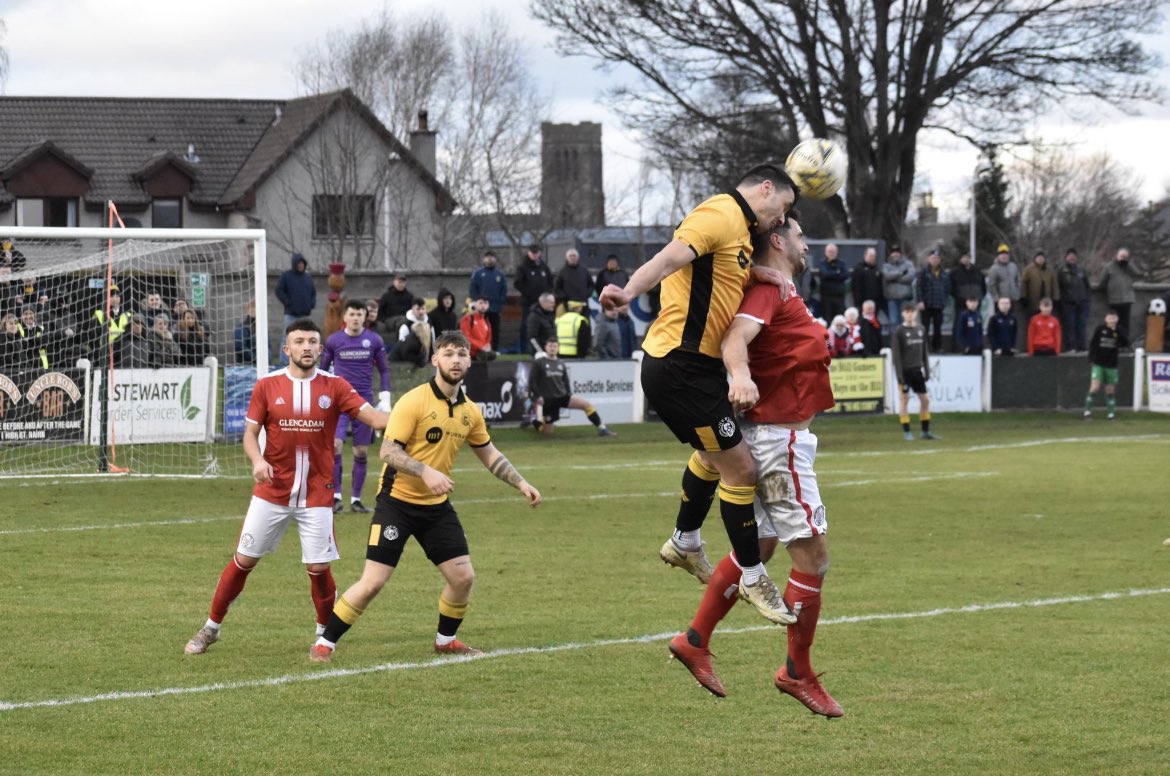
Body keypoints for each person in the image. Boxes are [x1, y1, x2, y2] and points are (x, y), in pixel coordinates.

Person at [598, 162, 800, 625]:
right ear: (766, 189)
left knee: (714, 456)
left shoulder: (742, 234)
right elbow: (672, 257)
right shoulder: (721, 212)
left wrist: (759, 277)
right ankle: (752, 575)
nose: (781, 220)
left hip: (695, 368)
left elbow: (721, 278)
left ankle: (685, 541)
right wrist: (629, 290)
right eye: (783, 207)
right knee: (741, 468)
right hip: (678, 365)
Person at [667, 213, 842, 716]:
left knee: (760, 547)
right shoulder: (769, 293)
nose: (808, 244)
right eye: (803, 234)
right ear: (780, 240)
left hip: (776, 436)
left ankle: (694, 639)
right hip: (778, 440)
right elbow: (735, 339)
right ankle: (796, 673)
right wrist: (739, 375)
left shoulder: (781, 287)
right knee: (814, 559)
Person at [309, 331, 542, 662]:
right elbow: (388, 452)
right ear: (436, 360)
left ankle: (445, 641)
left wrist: (520, 482)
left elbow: (488, 453)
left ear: (469, 361)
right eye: (448, 354)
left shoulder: (470, 411)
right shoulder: (414, 401)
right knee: (373, 582)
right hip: (396, 503)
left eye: (462, 354)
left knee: (463, 578)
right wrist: (425, 471)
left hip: (436, 508)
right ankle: (324, 644)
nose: (456, 360)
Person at [183, 318, 390, 656]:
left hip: (317, 494)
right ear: (287, 349)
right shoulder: (267, 385)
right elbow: (250, 435)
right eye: (299, 341)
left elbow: (376, 419)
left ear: (321, 349)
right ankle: (211, 627)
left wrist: (417, 414)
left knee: (319, 568)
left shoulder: (335, 386)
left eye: (312, 342)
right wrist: (257, 461)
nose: (306, 347)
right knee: (243, 560)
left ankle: (324, 637)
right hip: (272, 492)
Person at [320, 300, 392, 514]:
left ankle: (356, 500)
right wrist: (321, 397)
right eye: (352, 314)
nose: (356, 318)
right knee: (335, 446)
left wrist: (385, 398)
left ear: (365, 317)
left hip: (364, 403)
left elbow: (385, 371)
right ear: (344, 317)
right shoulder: (334, 341)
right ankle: (335, 496)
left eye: (360, 314)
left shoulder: (374, 340)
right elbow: (322, 371)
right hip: (339, 402)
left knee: (361, 451)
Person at [527, 338, 616, 436]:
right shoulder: (539, 363)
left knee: (586, 405)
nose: (552, 348)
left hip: (562, 397)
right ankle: (534, 421)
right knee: (547, 432)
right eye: (550, 346)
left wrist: (569, 394)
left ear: (558, 348)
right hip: (549, 400)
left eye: (555, 346)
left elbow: (565, 381)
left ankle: (602, 429)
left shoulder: (561, 363)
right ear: (546, 348)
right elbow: (532, 382)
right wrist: (539, 396)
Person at [892, 303, 939, 440]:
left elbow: (925, 351)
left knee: (925, 400)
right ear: (902, 314)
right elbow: (897, 356)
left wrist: (927, 370)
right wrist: (899, 376)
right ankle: (907, 431)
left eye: (912, 311)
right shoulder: (899, 331)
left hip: (917, 371)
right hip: (905, 372)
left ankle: (925, 431)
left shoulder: (920, 329)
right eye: (907, 312)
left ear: (916, 313)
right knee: (904, 401)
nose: (910, 314)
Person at [1084, 310, 1128, 420]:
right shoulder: (1100, 329)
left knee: (1110, 390)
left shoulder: (1119, 330)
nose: (1112, 320)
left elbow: (1126, 343)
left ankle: (1111, 414)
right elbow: (1093, 344)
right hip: (1098, 363)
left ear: (1117, 319)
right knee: (1094, 388)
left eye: (1114, 318)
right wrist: (1091, 358)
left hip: (1112, 364)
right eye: (1110, 318)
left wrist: (1116, 332)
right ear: (1105, 319)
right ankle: (1087, 412)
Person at [1094, 247, 1142, 342]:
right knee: (1115, 322)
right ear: (1117, 256)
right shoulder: (1110, 266)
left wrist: (1129, 264)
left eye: (1125, 256)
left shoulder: (1128, 267)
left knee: (1125, 323)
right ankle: (1115, 341)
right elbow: (1103, 282)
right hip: (1115, 300)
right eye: (1121, 256)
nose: (1123, 258)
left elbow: (1138, 274)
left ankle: (1125, 342)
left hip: (1127, 299)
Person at [514, 244, 553, 352]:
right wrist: (530, 294)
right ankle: (524, 349)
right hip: (529, 302)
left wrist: (547, 294)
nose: (534, 255)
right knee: (527, 325)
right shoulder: (523, 267)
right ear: (529, 253)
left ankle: (544, 347)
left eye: (536, 253)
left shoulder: (544, 267)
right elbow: (517, 283)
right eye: (532, 253)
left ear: (539, 253)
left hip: (543, 304)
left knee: (545, 325)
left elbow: (550, 282)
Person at [595, 255, 636, 355]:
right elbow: (597, 288)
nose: (612, 264)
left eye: (614, 262)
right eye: (610, 262)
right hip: (608, 304)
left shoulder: (623, 274)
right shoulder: (602, 274)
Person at [468, 252, 508, 352]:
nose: (489, 260)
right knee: (481, 329)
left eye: (492, 258)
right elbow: (473, 289)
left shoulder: (499, 275)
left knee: (495, 329)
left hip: (495, 308)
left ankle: (495, 349)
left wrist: (500, 302)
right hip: (481, 309)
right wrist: (476, 303)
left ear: (495, 259)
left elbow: (504, 290)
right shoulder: (478, 273)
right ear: (484, 259)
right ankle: (482, 348)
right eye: (487, 257)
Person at [915, 249, 949, 352]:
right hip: (926, 304)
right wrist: (920, 301)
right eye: (933, 258)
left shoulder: (943, 273)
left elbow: (947, 288)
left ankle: (937, 347)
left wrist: (944, 300)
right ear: (929, 259)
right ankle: (925, 347)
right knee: (925, 327)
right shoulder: (923, 272)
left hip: (939, 304)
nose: (935, 260)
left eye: (937, 258)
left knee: (938, 327)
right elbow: (919, 287)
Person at [1057, 248, 1091, 352]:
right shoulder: (1061, 271)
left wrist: (1087, 299)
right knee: (1070, 326)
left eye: (1073, 256)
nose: (1072, 257)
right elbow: (1058, 287)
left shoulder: (1082, 270)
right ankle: (1071, 347)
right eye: (1069, 256)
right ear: (1066, 257)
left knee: (1081, 326)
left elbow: (1087, 286)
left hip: (1082, 302)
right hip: (1068, 304)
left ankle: (1082, 347)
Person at [949, 252, 985, 346]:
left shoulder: (977, 271)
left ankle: (976, 345)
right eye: (964, 257)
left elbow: (983, 287)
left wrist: (978, 299)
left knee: (976, 326)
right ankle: (957, 346)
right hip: (961, 303)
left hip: (975, 304)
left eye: (968, 257)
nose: (966, 259)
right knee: (959, 325)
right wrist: (959, 297)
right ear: (960, 259)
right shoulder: (954, 272)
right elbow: (950, 288)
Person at [987, 244, 1021, 338]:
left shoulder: (1013, 266)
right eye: (1001, 254)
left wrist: (1017, 293)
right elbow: (991, 285)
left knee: (1012, 324)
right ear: (998, 255)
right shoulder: (994, 268)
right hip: (1000, 302)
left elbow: (1018, 280)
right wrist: (997, 298)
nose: (1004, 256)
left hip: (1012, 300)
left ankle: (1011, 345)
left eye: (1006, 253)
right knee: (999, 325)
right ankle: (998, 346)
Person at [274, 253, 316, 329]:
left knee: (304, 336)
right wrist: (286, 301)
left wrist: (311, 304)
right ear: (294, 264)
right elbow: (278, 290)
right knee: (288, 337)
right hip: (291, 315)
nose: (300, 265)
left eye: (302, 263)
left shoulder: (308, 278)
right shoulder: (286, 276)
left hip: (305, 315)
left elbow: (313, 292)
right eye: (298, 263)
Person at [390, 298, 435, 368]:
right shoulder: (405, 326)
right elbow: (402, 347)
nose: (421, 312)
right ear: (413, 309)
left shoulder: (429, 325)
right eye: (418, 309)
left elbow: (432, 343)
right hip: (406, 361)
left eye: (423, 309)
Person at [89, 283, 132, 357]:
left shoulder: (128, 315)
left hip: (125, 353)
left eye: (117, 295)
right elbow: (94, 338)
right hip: (106, 353)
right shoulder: (99, 315)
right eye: (111, 295)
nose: (115, 298)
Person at [881, 246, 914, 326]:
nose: (895, 254)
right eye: (893, 252)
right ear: (891, 254)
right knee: (894, 322)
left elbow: (910, 276)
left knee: (906, 321)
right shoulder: (886, 265)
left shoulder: (908, 264)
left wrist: (894, 279)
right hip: (892, 299)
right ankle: (895, 339)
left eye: (897, 252)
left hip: (905, 298)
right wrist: (901, 272)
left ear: (900, 254)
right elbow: (887, 276)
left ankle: (905, 338)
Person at [1020, 251, 1059, 322]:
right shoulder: (1029, 269)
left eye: (1042, 257)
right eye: (1038, 257)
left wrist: (1056, 298)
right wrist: (1023, 296)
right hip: (1033, 301)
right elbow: (1023, 284)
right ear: (1035, 258)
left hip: (1046, 300)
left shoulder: (1049, 270)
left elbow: (1054, 285)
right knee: (1033, 320)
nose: (1040, 259)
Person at [818, 243, 849, 323]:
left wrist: (831, 274)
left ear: (837, 252)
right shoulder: (822, 263)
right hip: (826, 298)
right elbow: (825, 275)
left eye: (833, 251)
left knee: (840, 320)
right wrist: (837, 272)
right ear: (825, 252)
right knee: (827, 320)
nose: (831, 253)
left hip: (839, 297)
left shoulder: (842, 263)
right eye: (829, 251)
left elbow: (845, 275)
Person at [555, 248, 593, 312]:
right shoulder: (562, 272)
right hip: (568, 306)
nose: (572, 258)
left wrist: (586, 294)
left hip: (583, 304)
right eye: (570, 256)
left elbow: (591, 285)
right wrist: (564, 297)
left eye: (574, 256)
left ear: (578, 258)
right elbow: (557, 288)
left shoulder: (584, 271)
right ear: (567, 258)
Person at [459, 295, 496, 361]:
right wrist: (481, 346)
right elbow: (465, 337)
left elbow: (488, 339)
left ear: (488, 306)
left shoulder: (486, 321)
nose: (483, 305)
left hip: (481, 351)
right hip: (470, 352)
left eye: (485, 303)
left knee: (492, 355)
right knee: (483, 356)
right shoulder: (468, 319)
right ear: (475, 305)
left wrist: (486, 346)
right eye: (480, 303)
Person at [850, 246, 884, 314]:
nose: (872, 258)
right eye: (870, 256)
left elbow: (880, 285)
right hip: (862, 302)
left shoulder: (877, 269)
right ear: (865, 255)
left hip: (875, 302)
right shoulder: (858, 268)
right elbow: (855, 286)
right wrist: (857, 302)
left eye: (874, 256)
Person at [16, 305, 48, 370]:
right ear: (21, 316)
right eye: (25, 314)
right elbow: (25, 346)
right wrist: (37, 340)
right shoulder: (17, 327)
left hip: (42, 366)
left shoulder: (41, 327)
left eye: (31, 313)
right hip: (26, 366)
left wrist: (29, 340)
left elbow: (45, 343)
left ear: (35, 315)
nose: (28, 316)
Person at [234, 300, 258, 365]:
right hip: (245, 366)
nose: (253, 311)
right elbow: (239, 346)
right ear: (248, 310)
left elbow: (268, 346)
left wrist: (267, 358)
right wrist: (255, 358)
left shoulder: (262, 328)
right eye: (252, 308)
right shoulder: (241, 327)